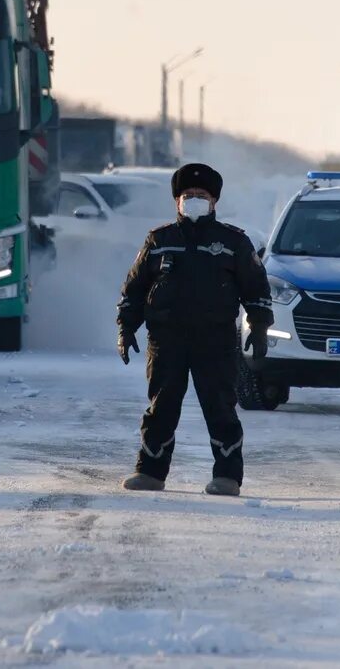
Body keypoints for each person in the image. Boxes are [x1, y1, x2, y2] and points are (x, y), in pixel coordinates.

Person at [115, 162, 273, 497]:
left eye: (201, 195)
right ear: (177, 201)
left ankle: (227, 476)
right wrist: (126, 328)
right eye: (188, 195)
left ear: (214, 201)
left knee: (220, 407)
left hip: (214, 341)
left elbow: (256, 288)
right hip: (166, 341)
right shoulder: (159, 241)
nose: (194, 200)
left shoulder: (233, 242)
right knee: (161, 407)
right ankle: (150, 472)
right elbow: (134, 288)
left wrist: (259, 327)